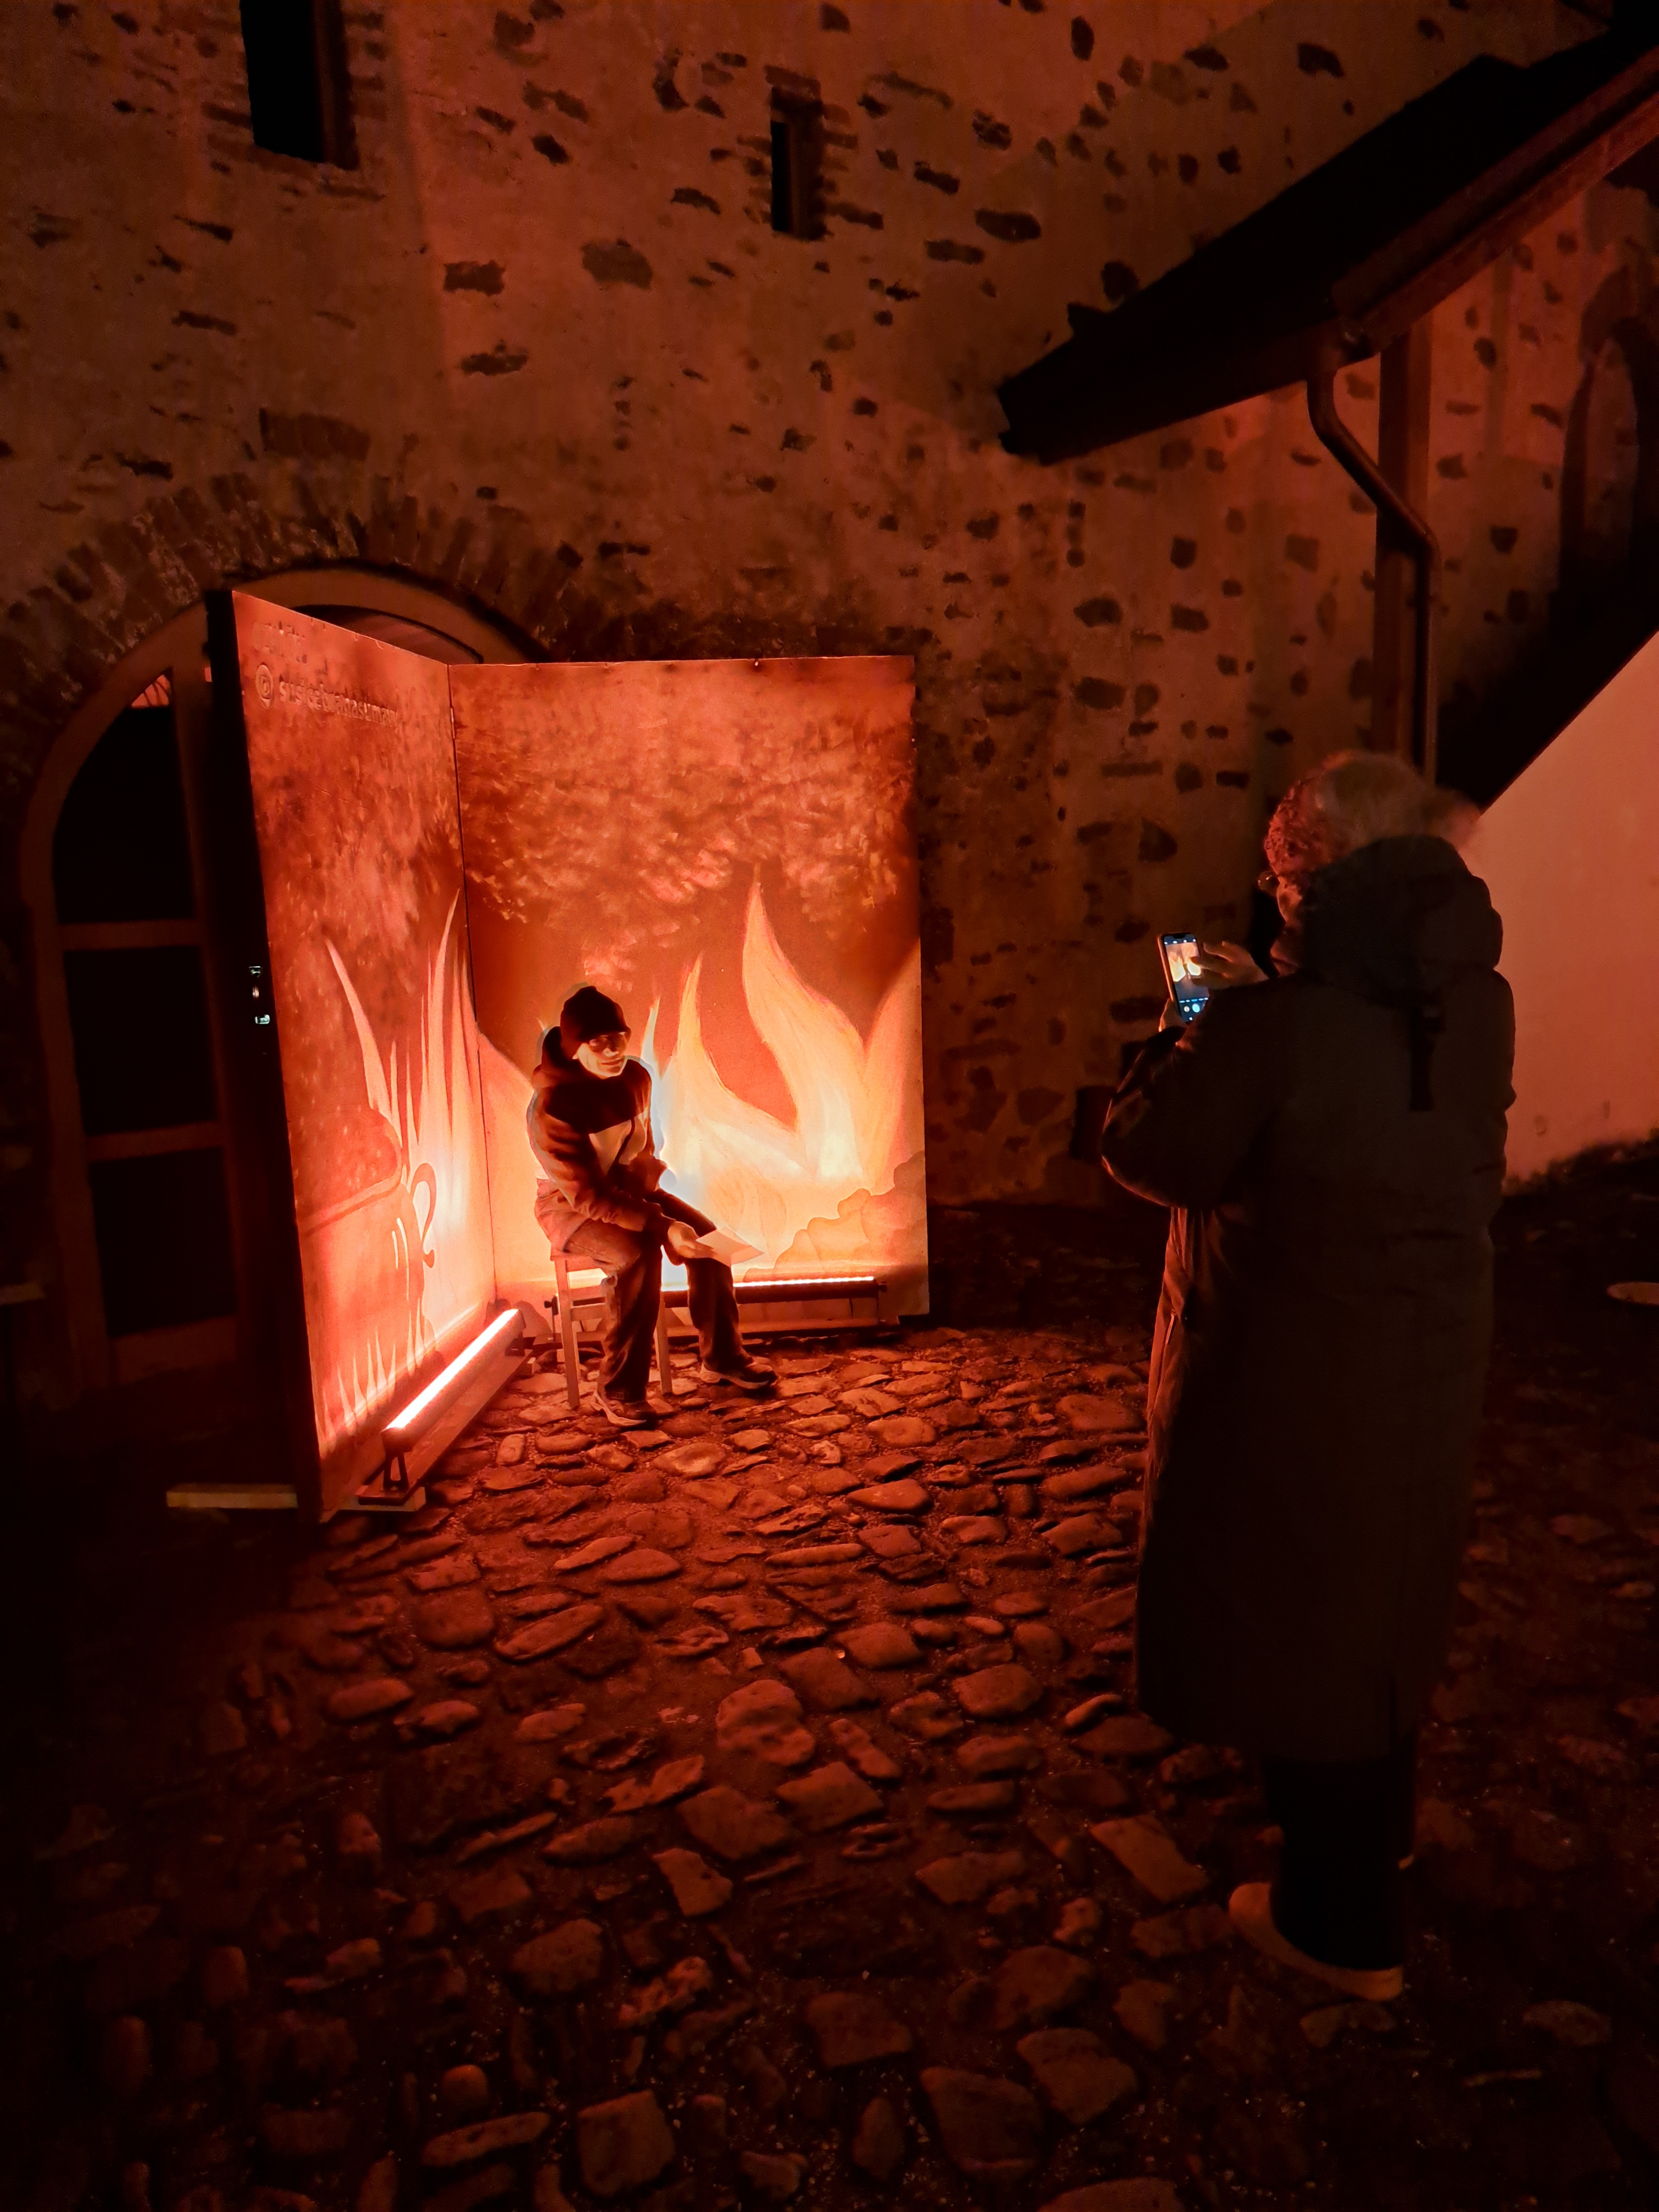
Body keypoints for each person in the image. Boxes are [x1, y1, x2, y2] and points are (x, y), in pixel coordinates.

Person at [1100, 752, 1514, 2002]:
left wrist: (1193, 1023)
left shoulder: (1271, 1026)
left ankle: (1340, 1925)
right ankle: (1380, 1835)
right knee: (1381, 1596)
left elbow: (1152, 1152)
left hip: (1291, 1360)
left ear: (1318, 880)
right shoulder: (1471, 998)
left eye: (1283, 883)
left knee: (1297, 1610)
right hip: (1422, 1348)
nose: (1274, 901)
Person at [528, 984, 774, 1427]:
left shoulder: (636, 1078)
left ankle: (723, 1357)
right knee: (636, 1256)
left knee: (708, 1240)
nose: (613, 1050)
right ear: (574, 1049)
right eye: (598, 1042)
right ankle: (619, 1389)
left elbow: (640, 1146)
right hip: (569, 1208)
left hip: (629, 1190)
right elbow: (586, 1196)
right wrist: (661, 1228)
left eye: (619, 1037)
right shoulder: (552, 1107)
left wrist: (655, 1199)